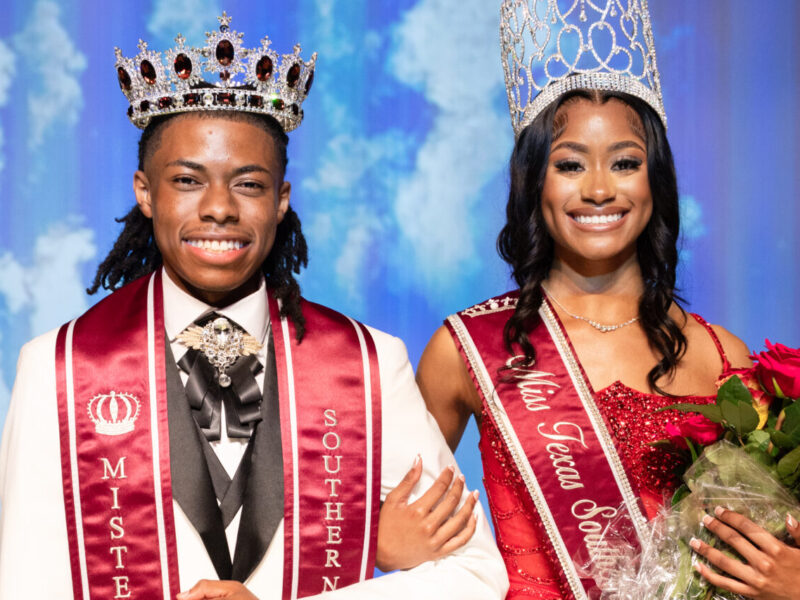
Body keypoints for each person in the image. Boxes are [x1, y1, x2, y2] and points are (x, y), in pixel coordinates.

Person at [0, 13, 508, 600]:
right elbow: (23, 584)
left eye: (248, 184)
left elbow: (476, 575)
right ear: (145, 193)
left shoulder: (367, 366)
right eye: (188, 180)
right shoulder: (61, 370)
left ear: (281, 199)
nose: (219, 208)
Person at [382, 1, 799, 599]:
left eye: (625, 163)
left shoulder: (721, 355)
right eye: (570, 164)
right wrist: (385, 545)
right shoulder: (466, 348)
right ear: (534, 183)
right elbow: (384, 516)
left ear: (654, 178)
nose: (600, 189)